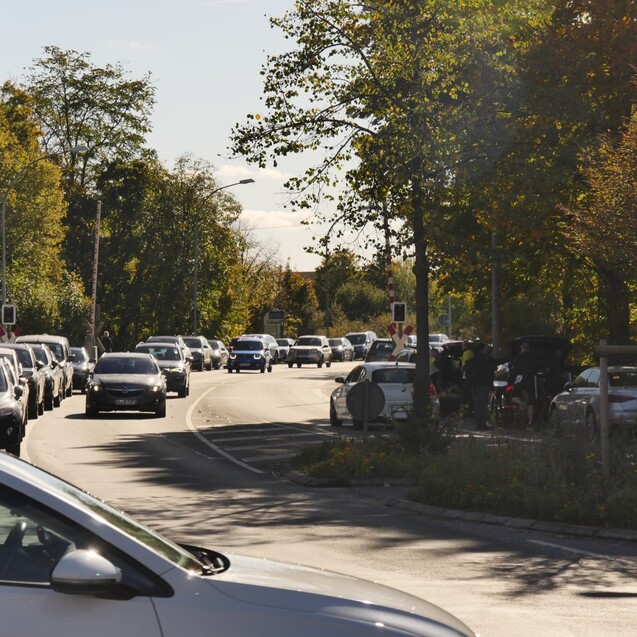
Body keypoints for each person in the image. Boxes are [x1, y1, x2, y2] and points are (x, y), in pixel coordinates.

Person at [509, 341, 539, 427]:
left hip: (520, 381)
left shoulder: (519, 357)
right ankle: (530, 422)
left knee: (513, 397)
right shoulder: (533, 358)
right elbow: (536, 369)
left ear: (523, 349)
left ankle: (520, 403)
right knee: (530, 403)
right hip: (530, 381)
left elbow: (514, 370)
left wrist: (511, 380)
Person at [467, 342, 494, 430]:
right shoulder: (483, 360)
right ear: (483, 349)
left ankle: (478, 422)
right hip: (483, 384)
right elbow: (486, 372)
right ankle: (482, 424)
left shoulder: (474, 359)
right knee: (482, 405)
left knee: (477, 404)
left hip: (475, 385)